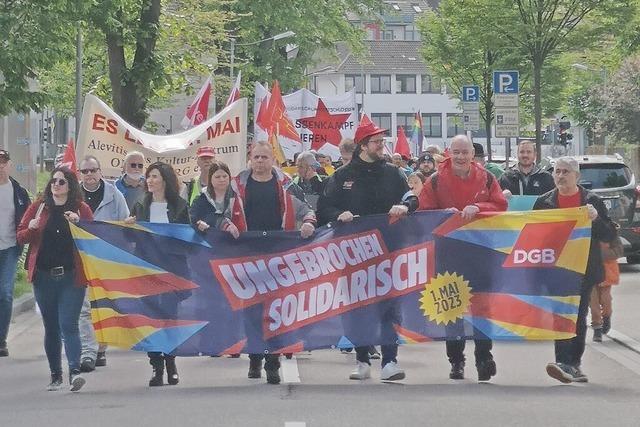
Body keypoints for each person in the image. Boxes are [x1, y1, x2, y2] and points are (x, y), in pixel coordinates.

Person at [317, 119, 418, 382]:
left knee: (389, 306)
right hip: (354, 253)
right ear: (363, 146)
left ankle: (390, 360)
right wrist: (340, 214)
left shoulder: (393, 173)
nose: (381, 146)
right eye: (376, 142)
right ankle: (362, 359)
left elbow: (411, 197)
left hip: (388, 250)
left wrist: (405, 206)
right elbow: (323, 209)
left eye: (382, 142)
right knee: (357, 307)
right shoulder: (342, 176)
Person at [418, 135, 507, 382]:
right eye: (455, 152)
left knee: (482, 308)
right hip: (448, 253)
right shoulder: (435, 181)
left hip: (480, 253)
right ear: (449, 153)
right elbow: (423, 213)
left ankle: (484, 358)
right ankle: (456, 361)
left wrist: (479, 208)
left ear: (472, 155)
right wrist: (442, 215)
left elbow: (501, 206)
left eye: (464, 153)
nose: (460, 157)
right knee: (452, 309)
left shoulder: (487, 178)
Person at [232, 140, 317, 385]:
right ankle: (255, 357)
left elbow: (307, 210)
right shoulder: (238, 185)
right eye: (256, 157)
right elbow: (222, 213)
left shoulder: (286, 186)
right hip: (247, 256)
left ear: (273, 160)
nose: (260, 161)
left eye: (264, 157)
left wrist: (309, 222)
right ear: (250, 159)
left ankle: (272, 362)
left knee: (276, 310)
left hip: (279, 256)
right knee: (251, 310)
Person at [535, 157, 617, 383]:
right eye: (557, 171)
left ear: (577, 176)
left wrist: (596, 218)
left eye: (566, 172)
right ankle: (563, 362)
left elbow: (609, 234)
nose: (560, 175)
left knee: (578, 315)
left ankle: (572, 362)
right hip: (555, 268)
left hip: (584, 268)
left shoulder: (591, 201)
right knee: (560, 314)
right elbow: (533, 234)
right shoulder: (545, 201)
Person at [17, 167, 94, 392]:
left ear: (70, 186)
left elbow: (93, 237)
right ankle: (55, 374)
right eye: (53, 181)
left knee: (68, 324)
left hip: (72, 276)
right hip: (44, 276)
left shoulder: (81, 208)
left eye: (61, 182)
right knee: (51, 327)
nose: (56, 185)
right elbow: (21, 235)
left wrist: (79, 223)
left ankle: (75, 372)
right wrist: (31, 228)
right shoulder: (40, 207)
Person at [126, 162, 190, 387]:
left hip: (171, 269)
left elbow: (186, 237)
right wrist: (128, 226)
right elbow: (131, 238)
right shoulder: (141, 204)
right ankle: (156, 365)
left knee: (169, 317)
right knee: (151, 318)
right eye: (148, 177)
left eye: (154, 176)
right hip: (147, 267)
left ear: (164, 179)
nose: (150, 180)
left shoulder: (180, 205)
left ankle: (171, 362)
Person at [77, 155, 129, 372]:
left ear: (100, 171)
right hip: (80, 258)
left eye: (93, 170)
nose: (89, 175)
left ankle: (101, 348)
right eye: (85, 171)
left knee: (103, 305)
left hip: (107, 258)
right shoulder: (74, 195)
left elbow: (124, 223)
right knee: (84, 308)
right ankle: (88, 350)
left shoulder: (114, 195)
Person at [0, 150, 31, 357]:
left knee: (5, 292)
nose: (0, 166)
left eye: (3, 162)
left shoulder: (18, 192)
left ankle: (1, 340)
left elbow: (27, 219)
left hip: (9, 248)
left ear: (9, 164)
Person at [591, 233, 622, 342]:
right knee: (593, 304)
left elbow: (618, 251)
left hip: (606, 272)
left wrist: (600, 253)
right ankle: (597, 329)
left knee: (606, 300)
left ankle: (606, 318)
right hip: (590, 273)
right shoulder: (584, 229)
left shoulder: (609, 231)